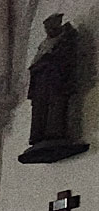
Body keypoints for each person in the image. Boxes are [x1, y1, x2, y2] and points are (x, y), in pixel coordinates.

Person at [28, 14, 78, 146]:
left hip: (56, 80)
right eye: (46, 29)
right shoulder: (44, 43)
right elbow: (36, 61)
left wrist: (48, 60)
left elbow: (66, 59)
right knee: (40, 109)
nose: (48, 31)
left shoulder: (66, 38)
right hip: (42, 80)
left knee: (56, 106)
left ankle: (54, 133)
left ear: (57, 25)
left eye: (50, 27)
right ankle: (39, 135)